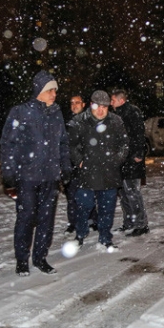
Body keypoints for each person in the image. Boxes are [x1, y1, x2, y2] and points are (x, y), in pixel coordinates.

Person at [0, 70, 72, 276]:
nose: (54, 94)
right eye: (50, 90)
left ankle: (40, 257)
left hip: (50, 176)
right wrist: (8, 171)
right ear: (39, 90)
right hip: (27, 176)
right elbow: (8, 143)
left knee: (46, 220)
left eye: (55, 90)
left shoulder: (56, 113)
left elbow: (63, 143)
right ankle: (22, 260)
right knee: (26, 218)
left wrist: (66, 167)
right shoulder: (20, 112)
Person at [68, 90, 128, 251]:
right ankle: (80, 234)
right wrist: (80, 161)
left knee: (107, 208)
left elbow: (124, 144)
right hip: (87, 173)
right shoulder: (79, 121)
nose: (101, 110)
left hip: (109, 173)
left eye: (104, 107)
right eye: (97, 106)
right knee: (84, 206)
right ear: (90, 105)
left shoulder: (115, 121)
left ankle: (105, 237)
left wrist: (117, 160)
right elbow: (71, 145)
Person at [110, 89, 149, 237]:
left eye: (113, 100)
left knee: (132, 192)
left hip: (131, 159)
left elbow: (139, 134)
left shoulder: (132, 112)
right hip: (121, 160)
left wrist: (138, 153)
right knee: (123, 193)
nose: (111, 103)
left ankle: (141, 224)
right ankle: (129, 222)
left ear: (121, 100)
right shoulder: (116, 114)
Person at [62, 94, 97, 235]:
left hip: (86, 164)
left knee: (89, 194)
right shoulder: (66, 122)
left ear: (83, 104)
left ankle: (92, 220)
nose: (74, 105)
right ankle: (73, 222)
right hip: (70, 165)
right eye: (72, 103)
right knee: (71, 197)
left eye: (77, 102)